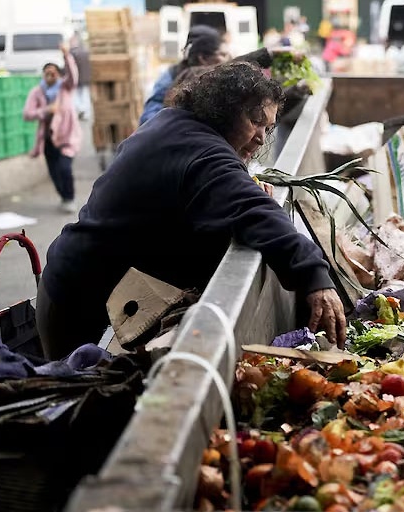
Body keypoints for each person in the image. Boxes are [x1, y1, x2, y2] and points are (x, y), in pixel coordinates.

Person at [36, 61, 346, 360]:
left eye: (268, 127)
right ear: (225, 110)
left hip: (80, 285)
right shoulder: (202, 151)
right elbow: (254, 211)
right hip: (78, 305)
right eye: (255, 121)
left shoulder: (177, 124)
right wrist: (314, 276)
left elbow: (220, 191)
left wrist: (242, 183)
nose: (261, 137)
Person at [23, 42, 81, 213]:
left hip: (67, 137)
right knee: (54, 173)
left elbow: (73, 75)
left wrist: (66, 55)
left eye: (53, 72)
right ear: (43, 74)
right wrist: (46, 110)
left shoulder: (66, 88)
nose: (50, 75)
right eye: (47, 72)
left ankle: (69, 198)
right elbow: (27, 113)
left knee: (64, 168)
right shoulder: (37, 92)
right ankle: (63, 196)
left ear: (58, 74)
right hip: (48, 139)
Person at [138, 25, 227, 125]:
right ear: (203, 58)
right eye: (222, 55)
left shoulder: (219, 80)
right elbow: (148, 119)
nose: (227, 59)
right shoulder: (170, 77)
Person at [69, 33, 91, 120]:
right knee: (85, 95)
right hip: (86, 78)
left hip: (77, 78)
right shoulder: (86, 53)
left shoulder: (72, 54)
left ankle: (81, 110)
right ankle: (85, 113)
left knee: (76, 96)